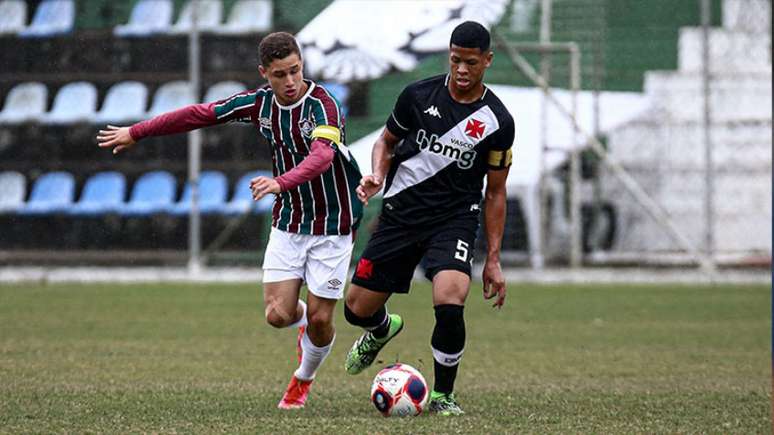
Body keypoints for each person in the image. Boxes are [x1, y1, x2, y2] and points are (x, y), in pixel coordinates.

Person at [96, 32, 363, 409]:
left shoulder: (324, 106)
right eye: (279, 75)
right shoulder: (259, 104)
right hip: (290, 221)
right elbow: (199, 114)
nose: (289, 82)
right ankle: (298, 320)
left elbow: (321, 156)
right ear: (264, 73)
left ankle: (302, 380)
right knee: (277, 315)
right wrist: (136, 132)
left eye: (295, 71)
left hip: (333, 224)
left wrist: (279, 182)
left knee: (322, 320)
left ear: (302, 64)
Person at [342, 21, 514, 416]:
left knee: (451, 297)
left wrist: (494, 258)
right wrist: (378, 176)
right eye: (456, 60)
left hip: (454, 219)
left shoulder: (498, 121)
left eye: (471, 62)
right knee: (356, 309)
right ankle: (381, 330)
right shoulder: (417, 96)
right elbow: (385, 141)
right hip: (400, 216)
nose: (462, 69)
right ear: (448, 56)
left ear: (487, 61)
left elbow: (497, 192)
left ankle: (442, 395)